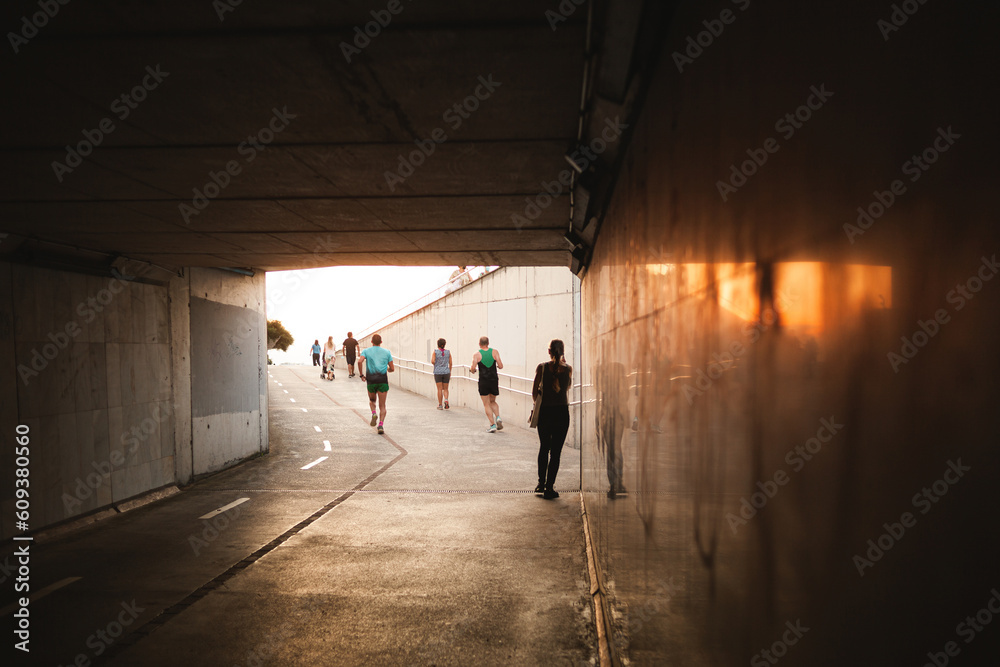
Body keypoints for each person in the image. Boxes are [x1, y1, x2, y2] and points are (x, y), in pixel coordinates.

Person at [532, 339, 572, 499]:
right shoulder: (568, 369)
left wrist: (537, 405)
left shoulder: (541, 368)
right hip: (562, 413)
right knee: (556, 453)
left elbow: (535, 392)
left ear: (549, 351)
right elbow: (567, 388)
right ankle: (549, 487)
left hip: (545, 412)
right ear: (562, 352)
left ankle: (541, 484)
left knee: (544, 448)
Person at [358, 334, 394, 435]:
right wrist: (387, 369)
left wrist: (361, 375)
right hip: (382, 381)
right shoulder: (387, 352)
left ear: (371, 342)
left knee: (372, 401)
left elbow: (360, 361)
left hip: (371, 381)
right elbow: (392, 368)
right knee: (382, 406)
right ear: (381, 342)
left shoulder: (366, 351)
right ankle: (381, 425)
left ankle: (374, 413)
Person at [470, 336, 503, 432]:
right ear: (488, 343)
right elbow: (500, 366)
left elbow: (473, 368)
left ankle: (492, 425)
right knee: (492, 401)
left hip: (483, 381)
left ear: (479, 344)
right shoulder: (495, 352)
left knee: (486, 404)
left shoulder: (476, 354)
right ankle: (498, 417)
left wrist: (473, 370)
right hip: (493, 380)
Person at [432, 338, 452, 410]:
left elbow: (432, 361)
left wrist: (437, 363)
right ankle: (446, 400)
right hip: (446, 372)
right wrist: (449, 371)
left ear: (438, 344)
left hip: (438, 372)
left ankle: (440, 405)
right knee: (446, 388)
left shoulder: (435, 352)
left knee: (439, 389)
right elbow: (450, 363)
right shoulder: (448, 352)